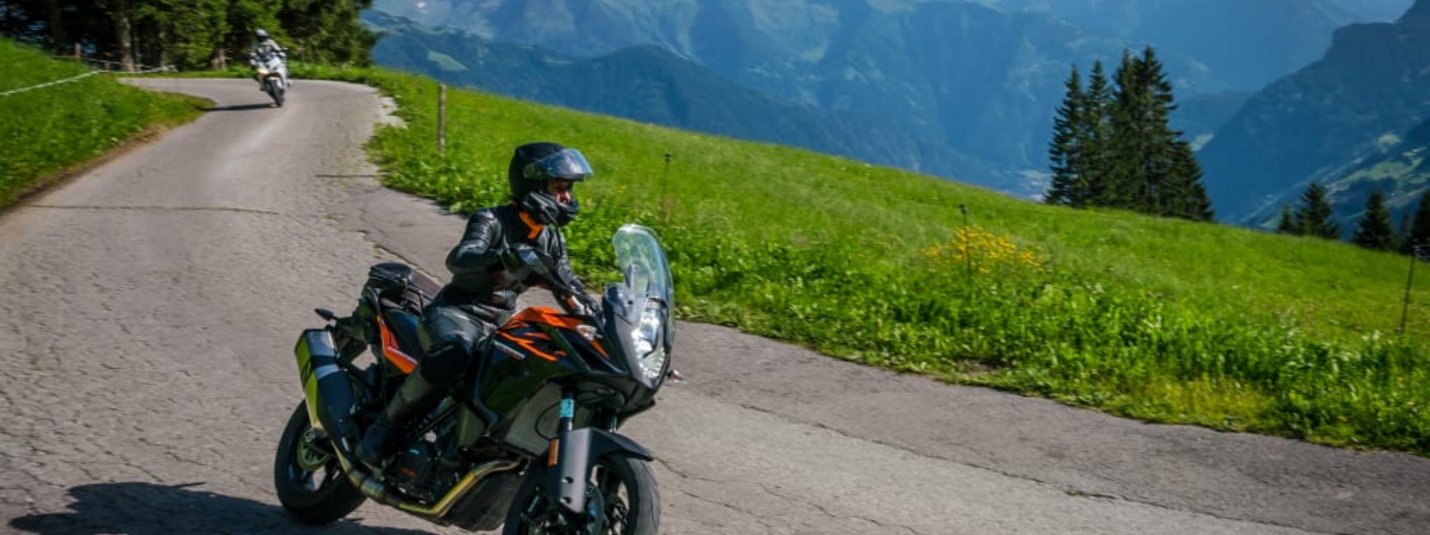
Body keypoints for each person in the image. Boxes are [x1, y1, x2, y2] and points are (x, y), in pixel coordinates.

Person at [357, 141, 598, 467]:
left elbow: (571, 287)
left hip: (497, 328)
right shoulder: (492, 219)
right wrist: (502, 257)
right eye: (559, 188)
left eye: (568, 189)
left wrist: (607, 322)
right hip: (455, 315)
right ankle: (383, 429)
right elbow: (460, 258)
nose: (567, 197)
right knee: (455, 353)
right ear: (532, 184)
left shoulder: (552, 240)